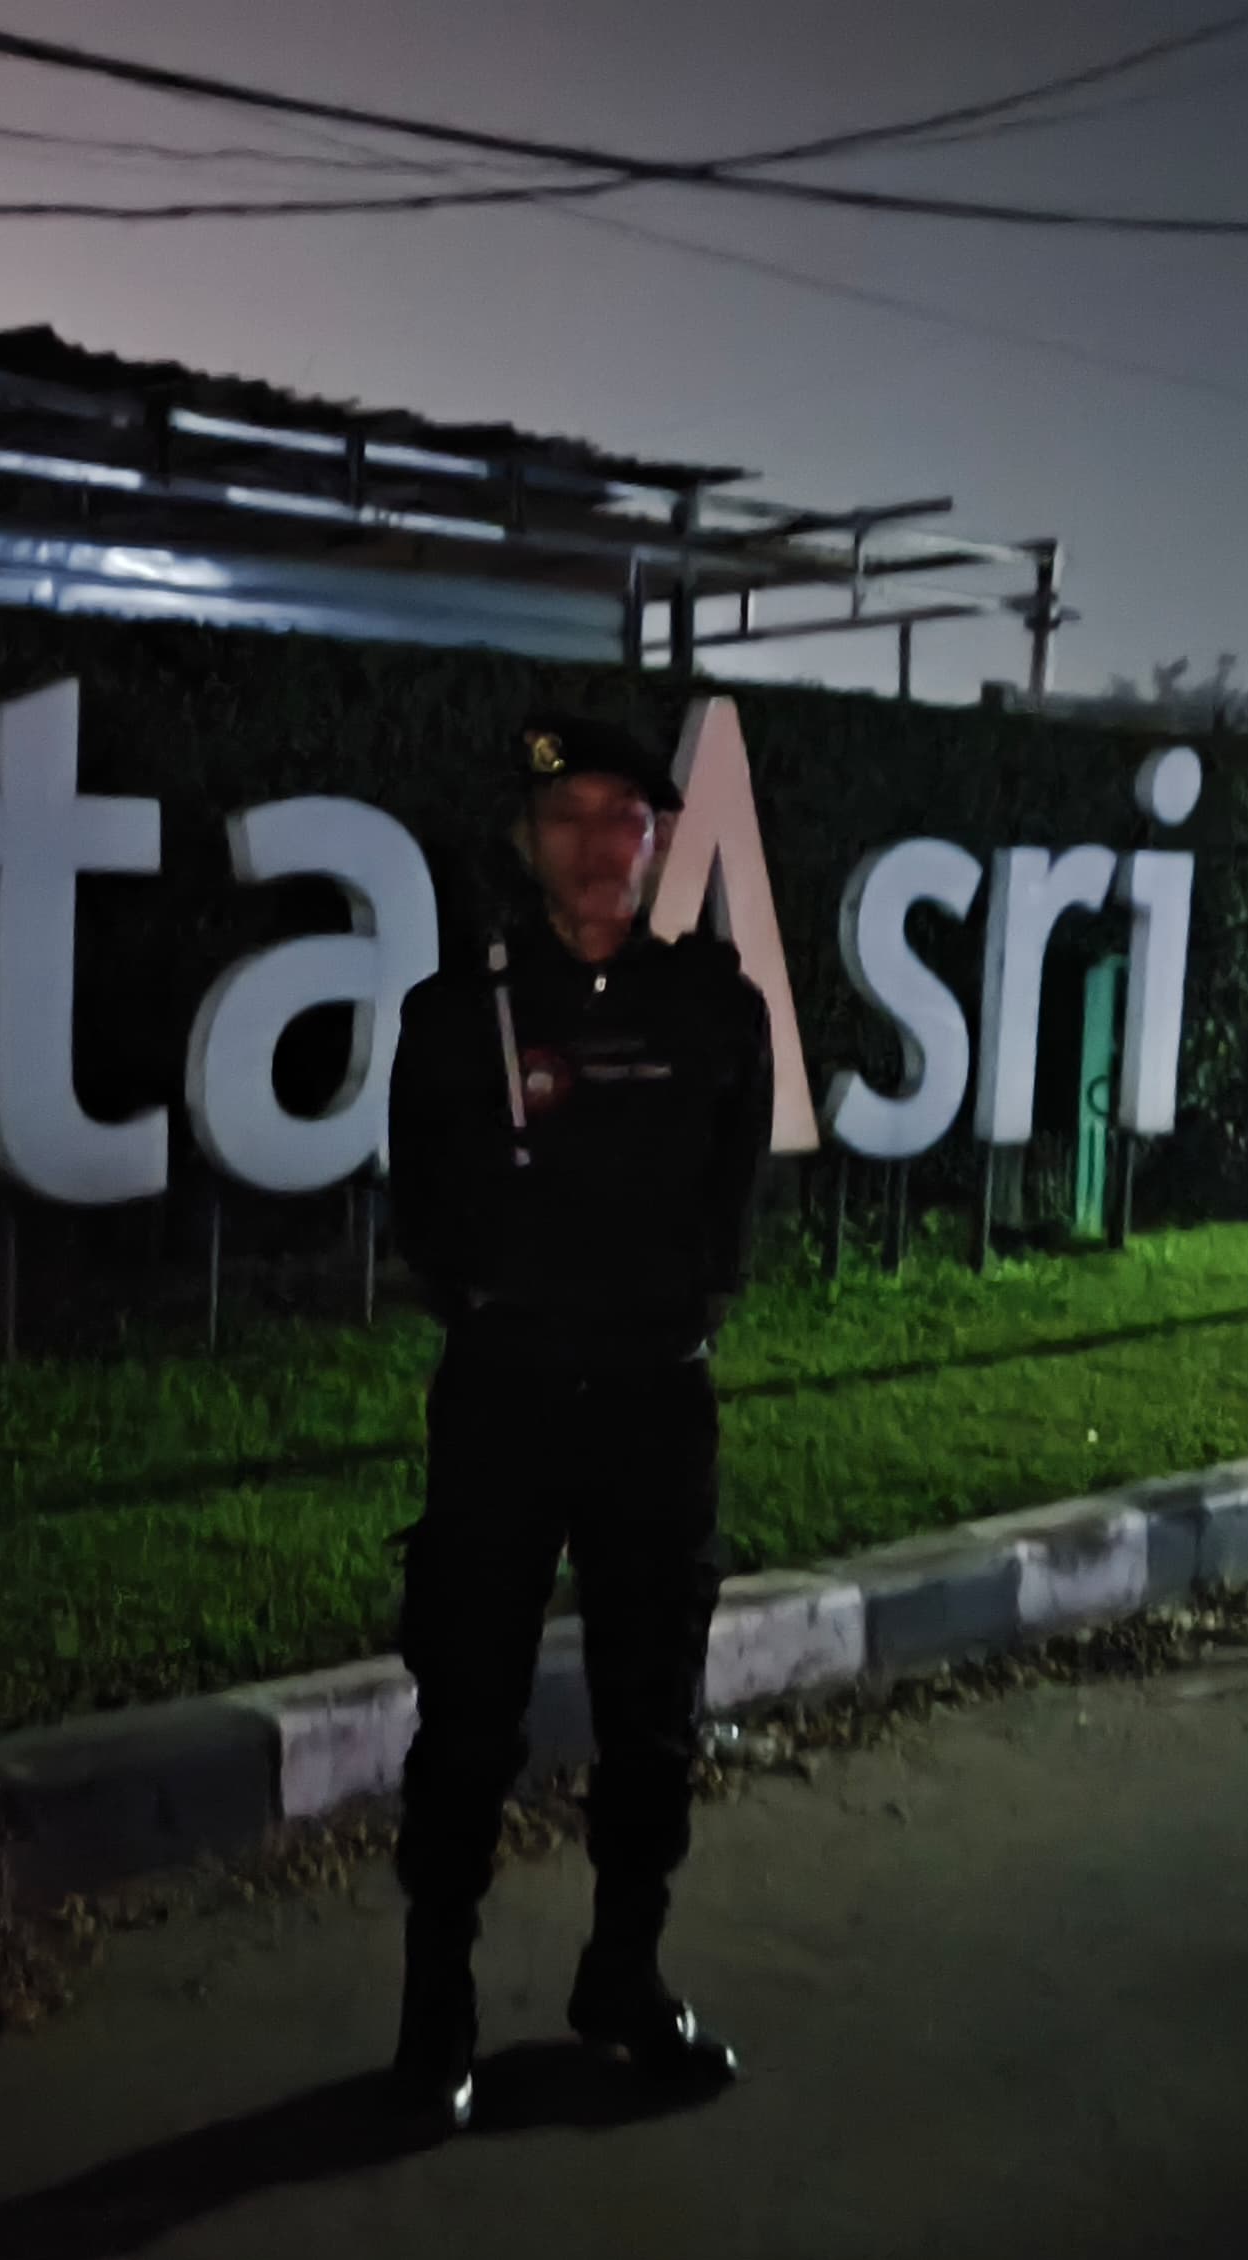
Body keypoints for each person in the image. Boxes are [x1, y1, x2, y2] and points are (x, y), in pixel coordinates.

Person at [379, 708, 774, 2129]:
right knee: (467, 1708)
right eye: (567, 818)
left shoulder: (715, 1006)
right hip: (507, 1400)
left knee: (652, 1710)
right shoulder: (455, 1013)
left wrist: (662, 1313)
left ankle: (624, 1976)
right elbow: (422, 1203)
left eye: (624, 817)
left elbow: (733, 1200)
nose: (598, 843)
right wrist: (514, 1311)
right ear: (525, 843)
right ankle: (438, 2010)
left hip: (654, 1404)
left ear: (658, 840)